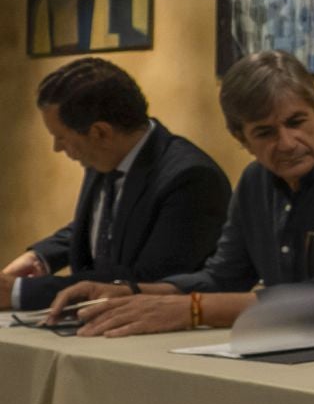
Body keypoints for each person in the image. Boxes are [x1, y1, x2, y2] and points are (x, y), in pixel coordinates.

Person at [48, 51, 314, 336]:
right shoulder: (255, 180)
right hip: (297, 344)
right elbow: (222, 278)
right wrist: (131, 292)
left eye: (296, 122)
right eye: (265, 133)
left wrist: (194, 310)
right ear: (241, 139)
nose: (287, 142)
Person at [3, 58, 229, 312]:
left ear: (101, 133)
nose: (57, 148)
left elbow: (149, 279)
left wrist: (20, 293)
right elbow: (105, 225)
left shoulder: (191, 178)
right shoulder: (105, 156)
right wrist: (42, 256)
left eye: (61, 138)